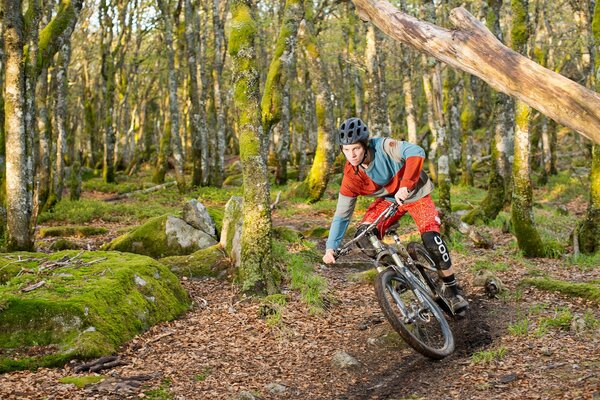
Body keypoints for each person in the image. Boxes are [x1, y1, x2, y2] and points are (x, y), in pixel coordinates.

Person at [322, 117, 469, 315]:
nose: (352, 155)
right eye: (346, 150)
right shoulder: (351, 175)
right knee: (364, 235)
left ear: (365, 145)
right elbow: (341, 215)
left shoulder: (384, 147)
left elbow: (416, 152)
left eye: (355, 148)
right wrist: (331, 247)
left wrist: (406, 185)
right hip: (390, 201)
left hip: (416, 193)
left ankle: (452, 290)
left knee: (431, 239)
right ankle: (399, 273)